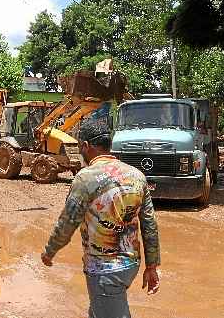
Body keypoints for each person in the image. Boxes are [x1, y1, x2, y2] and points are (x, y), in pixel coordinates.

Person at [41, 118, 161, 318]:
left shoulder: (85, 178)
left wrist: (50, 251)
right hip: (131, 264)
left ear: (86, 146)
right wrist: (152, 265)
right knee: (99, 310)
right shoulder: (137, 176)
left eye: (80, 147)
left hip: (104, 270)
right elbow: (149, 225)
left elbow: (67, 222)